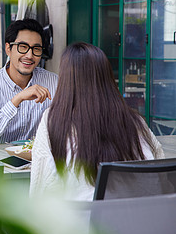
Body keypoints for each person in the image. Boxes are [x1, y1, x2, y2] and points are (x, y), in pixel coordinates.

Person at [30, 42, 164, 201]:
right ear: (107, 78)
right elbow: (159, 173)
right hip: (138, 220)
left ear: (66, 81)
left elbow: (40, 191)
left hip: (82, 223)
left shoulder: (53, 120)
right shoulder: (135, 121)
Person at [0, 19, 58, 144]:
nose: (29, 55)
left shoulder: (54, 82)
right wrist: (17, 100)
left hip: (38, 160)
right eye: (23, 47)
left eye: (36, 49)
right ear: (8, 49)